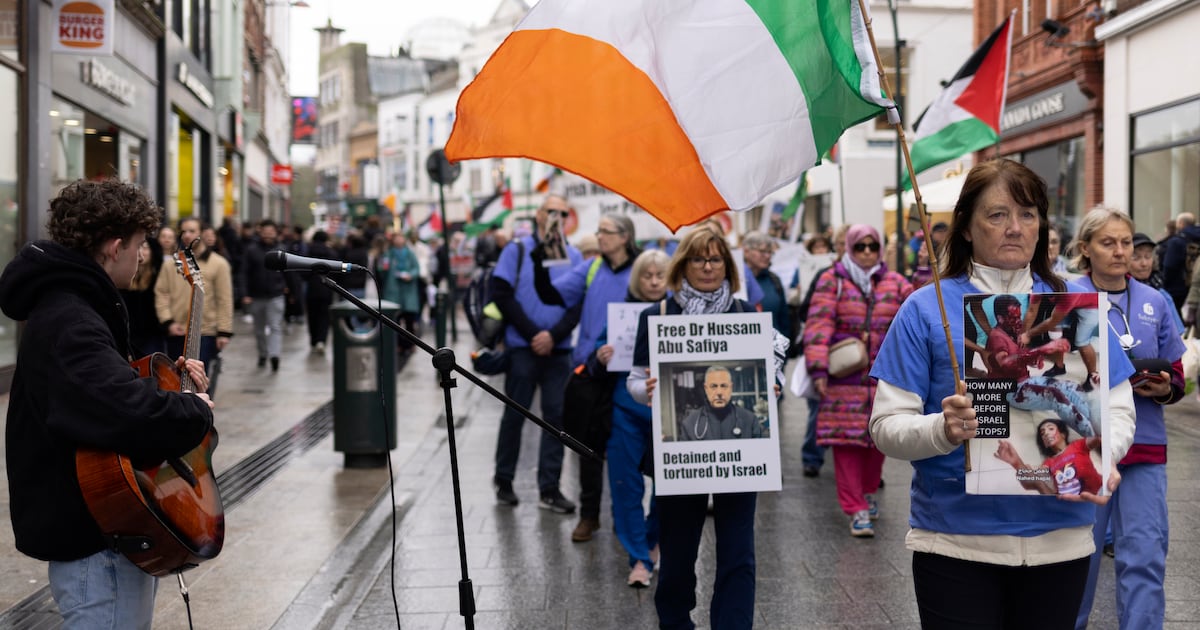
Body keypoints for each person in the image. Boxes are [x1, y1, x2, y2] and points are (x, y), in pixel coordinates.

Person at [868, 158, 1137, 629]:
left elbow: (1118, 410)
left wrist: (1100, 455)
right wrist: (942, 429)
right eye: (997, 215)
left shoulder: (1079, 308)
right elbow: (886, 428)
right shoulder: (924, 308)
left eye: (1028, 214)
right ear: (967, 227)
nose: (1015, 228)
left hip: (1061, 540)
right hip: (953, 543)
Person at [0, 178, 214, 629]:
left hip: (103, 533)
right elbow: (124, 410)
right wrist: (196, 411)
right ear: (115, 246)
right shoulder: (71, 318)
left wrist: (170, 385)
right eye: (138, 245)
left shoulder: (73, 307)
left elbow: (100, 396)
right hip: (96, 544)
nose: (142, 256)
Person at [627, 227, 769, 629]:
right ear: (683, 264)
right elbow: (634, 381)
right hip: (680, 454)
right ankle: (675, 622)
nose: (707, 267)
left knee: (739, 551)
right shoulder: (657, 315)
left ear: (727, 264)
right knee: (677, 551)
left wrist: (770, 384)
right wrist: (648, 389)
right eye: (698, 259)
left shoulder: (745, 315)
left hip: (740, 454)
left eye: (715, 258)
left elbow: (767, 374)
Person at [1069, 208, 1186, 630]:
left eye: (1126, 242)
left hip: (1145, 447)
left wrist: (1165, 386)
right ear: (1085, 249)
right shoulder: (1066, 296)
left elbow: (1177, 372)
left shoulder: (1155, 300)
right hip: (1085, 444)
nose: (1120, 252)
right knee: (1077, 559)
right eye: (1108, 243)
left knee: (1144, 555)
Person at [532, 212, 641, 542]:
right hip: (592, 372)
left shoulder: (643, 270)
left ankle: (630, 520)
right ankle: (589, 515)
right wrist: (541, 259)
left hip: (631, 372)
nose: (599, 236)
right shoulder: (592, 267)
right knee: (588, 449)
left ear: (624, 236)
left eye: (605, 232)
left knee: (630, 450)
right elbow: (551, 294)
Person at [803, 224, 912, 537]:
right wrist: (818, 369)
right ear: (850, 248)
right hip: (843, 378)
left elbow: (918, 308)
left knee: (878, 440)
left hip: (884, 377)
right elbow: (817, 326)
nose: (867, 253)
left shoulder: (895, 282)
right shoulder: (831, 280)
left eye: (872, 246)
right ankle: (855, 508)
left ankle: (867, 492)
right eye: (860, 246)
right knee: (845, 442)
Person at [490, 195, 583, 513]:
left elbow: (577, 304)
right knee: (515, 415)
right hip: (523, 349)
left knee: (557, 418)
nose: (556, 216)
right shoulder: (516, 250)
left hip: (558, 352)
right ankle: (504, 479)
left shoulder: (573, 255)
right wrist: (533, 334)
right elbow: (501, 294)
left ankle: (550, 488)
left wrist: (553, 335)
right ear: (539, 215)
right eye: (550, 211)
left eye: (562, 212)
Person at [599, 249, 668, 588]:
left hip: (667, 408)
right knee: (626, 485)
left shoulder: (678, 312)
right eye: (647, 275)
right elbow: (597, 348)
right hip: (626, 408)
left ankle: (652, 541)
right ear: (637, 278)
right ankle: (638, 557)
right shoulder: (620, 314)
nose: (654, 282)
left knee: (668, 484)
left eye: (660, 275)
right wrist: (601, 354)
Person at [155, 217, 235, 392]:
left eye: (192, 231)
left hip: (205, 331)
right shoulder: (172, 264)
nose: (187, 235)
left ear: (201, 234)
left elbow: (225, 299)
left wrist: (224, 331)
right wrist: (168, 321)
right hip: (177, 330)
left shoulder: (218, 264)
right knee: (175, 381)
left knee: (199, 381)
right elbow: (161, 293)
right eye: (183, 231)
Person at [994, 419, 1103, 495]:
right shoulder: (1048, 463)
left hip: (1100, 493)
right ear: (1044, 443)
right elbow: (1029, 483)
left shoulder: (1078, 445)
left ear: (1063, 434)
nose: (1046, 433)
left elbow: (1098, 438)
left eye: (1050, 429)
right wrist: (1016, 463)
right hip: (1071, 507)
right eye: (1042, 433)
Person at [240, 219, 287, 372]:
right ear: (260, 232)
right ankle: (262, 353)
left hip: (276, 295)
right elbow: (244, 273)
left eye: (271, 232)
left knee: (275, 327)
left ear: (276, 233)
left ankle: (274, 355)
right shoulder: (251, 250)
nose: (268, 235)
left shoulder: (281, 250)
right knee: (259, 329)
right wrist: (244, 293)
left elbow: (289, 273)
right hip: (256, 296)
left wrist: (290, 290)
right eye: (265, 232)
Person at [677, 366, 762, 441]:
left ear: (731, 388)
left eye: (724, 386)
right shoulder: (690, 423)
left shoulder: (749, 420)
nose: (719, 392)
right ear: (706, 389)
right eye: (713, 386)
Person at [119, 238, 167, 357]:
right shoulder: (125, 277)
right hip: (130, 334)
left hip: (152, 335)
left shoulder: (159, 274)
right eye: (138, 248)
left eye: (145, 248)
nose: (141, 252)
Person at [377, 231, 421, 354]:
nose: (399, 240)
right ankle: (398, 344)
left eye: (401, 238)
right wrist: (383, 268)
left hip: (408, 292)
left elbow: (416, 269)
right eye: (397, 238)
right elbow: (381, 271)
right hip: (393, 292)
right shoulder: (388, 254)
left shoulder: (410, 254)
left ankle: (410, 344)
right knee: (394, 322)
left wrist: (410, 275)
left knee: (409, 321)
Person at [743, 231, 790, 344]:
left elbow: (783, 319)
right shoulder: (736, 280)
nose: (767, 256)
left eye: (770, 252)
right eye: (762, 251)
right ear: (746, 251)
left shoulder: (774, 280)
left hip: (773, 350)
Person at [303, 230, 339, 352]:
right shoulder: (331, 253)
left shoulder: (308, 252)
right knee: (324, 316)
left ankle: (313, 340)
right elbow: (336, 271)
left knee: (312, 315)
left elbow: (303, 272)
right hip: (326, 289)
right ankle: (321, 340)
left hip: (311, 289)